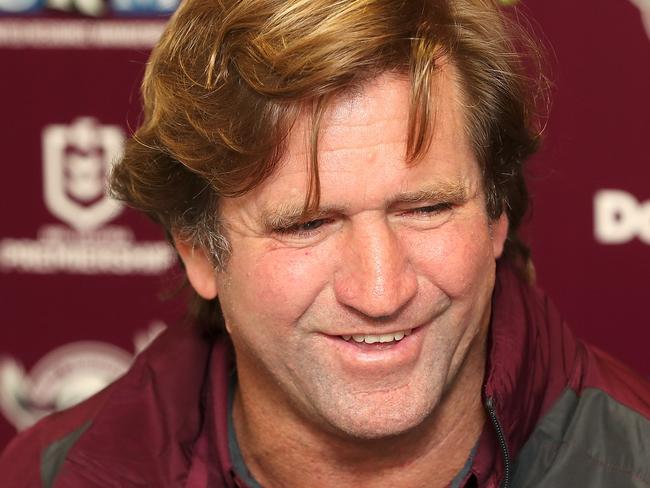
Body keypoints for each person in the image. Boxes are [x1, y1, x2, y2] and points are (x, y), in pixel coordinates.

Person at [2, 0, 650, 486]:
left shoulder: (633, 460)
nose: (380, 290)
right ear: (199, 248)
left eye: (425, 208)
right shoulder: (53, 476)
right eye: (306, 225)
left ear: (496, 214)